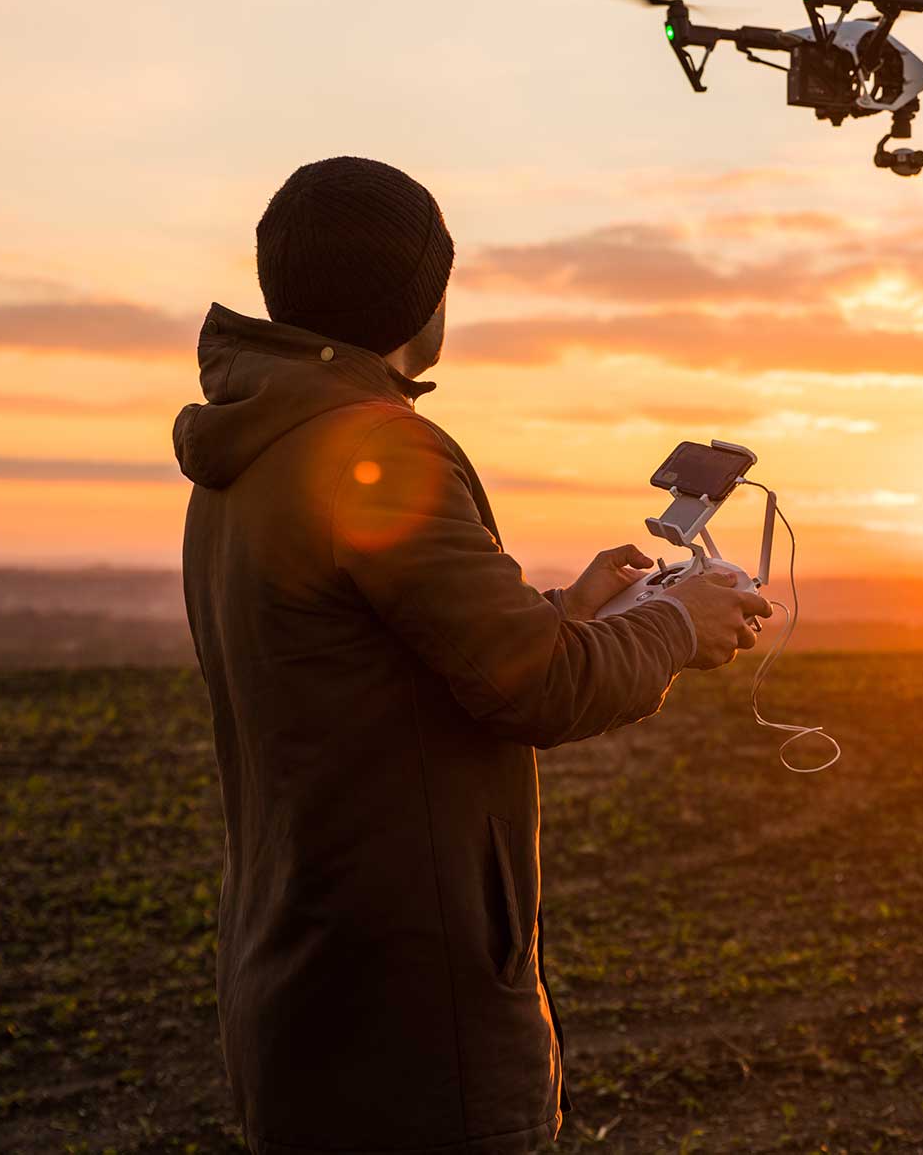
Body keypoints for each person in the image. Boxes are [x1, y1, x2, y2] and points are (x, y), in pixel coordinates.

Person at [173, 156, 769, 1154]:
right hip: (411, 1018)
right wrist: (675, 625)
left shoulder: (248, 453)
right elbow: (532, 686)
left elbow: (372, 652)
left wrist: (567, 610)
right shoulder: (377, 449)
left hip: (297, 982)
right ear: (423, 298)